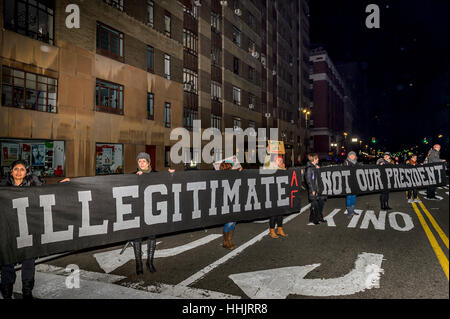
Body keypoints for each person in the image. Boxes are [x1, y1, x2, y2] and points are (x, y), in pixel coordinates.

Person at [0, 160, 69, 299]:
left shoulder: (33, 182)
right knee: (7, 261)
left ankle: (27, 291)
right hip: (8, 229)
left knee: (28, 260)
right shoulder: (3, 185)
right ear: (11, 171)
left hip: (27, 228)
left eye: (22, 169)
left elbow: (47, 191)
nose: (18, 172)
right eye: (16, 169)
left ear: (27, 172)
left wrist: (60, 185)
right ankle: (7, 293)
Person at [132, 152, 175, 275]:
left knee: (152, 236)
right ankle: (138, 263)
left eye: (144, 161)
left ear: (149, 162)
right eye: (139, 161)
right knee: (137, 237)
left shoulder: (156, 174)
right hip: (138, 212)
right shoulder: (132, 175)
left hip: (152, 212)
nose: (141, 163)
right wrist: (136, 178)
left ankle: (149, 262)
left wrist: (171, 175)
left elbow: (168, 183)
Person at [217, 161, 242, 250]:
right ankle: (225, 241)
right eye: (230, 167)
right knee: (228, 223)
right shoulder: (219, 177)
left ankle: (230, 240)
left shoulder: (232, 175)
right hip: (225, 202)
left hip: (233, 200)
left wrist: (240, 171)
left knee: (233, 222)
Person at [266, 155, 289, 238]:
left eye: (282, 160)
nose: (281, 162)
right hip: (273, 195)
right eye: (279, 161)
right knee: (273, 214)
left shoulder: (283, 169)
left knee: (280, 213)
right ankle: (271, 230)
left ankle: (280, 229)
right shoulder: (271, 170)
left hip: (281, 194)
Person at [305, 153, 327, 225]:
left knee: (321, 204)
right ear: (313, 159)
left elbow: (319, 178)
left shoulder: (316, 167)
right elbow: (309, 180)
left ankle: (319, 217)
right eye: (317, 158)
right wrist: (313, 190)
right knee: (315, 205)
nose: (318, 159)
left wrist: (318, 169)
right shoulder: (309, 168)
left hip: (320, 189)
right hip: (314, 190)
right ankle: (315, 219)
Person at [343, 151, 360, 217]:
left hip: (355, 182)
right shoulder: (346, 162)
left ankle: (352, 210)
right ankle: (349, 212)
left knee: (354, 197)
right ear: (348, 156)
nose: (352, 156)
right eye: (350, 155)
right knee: (349, 197)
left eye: (353, 155)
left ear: (355, 156)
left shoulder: (357, 163)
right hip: (348, 183)